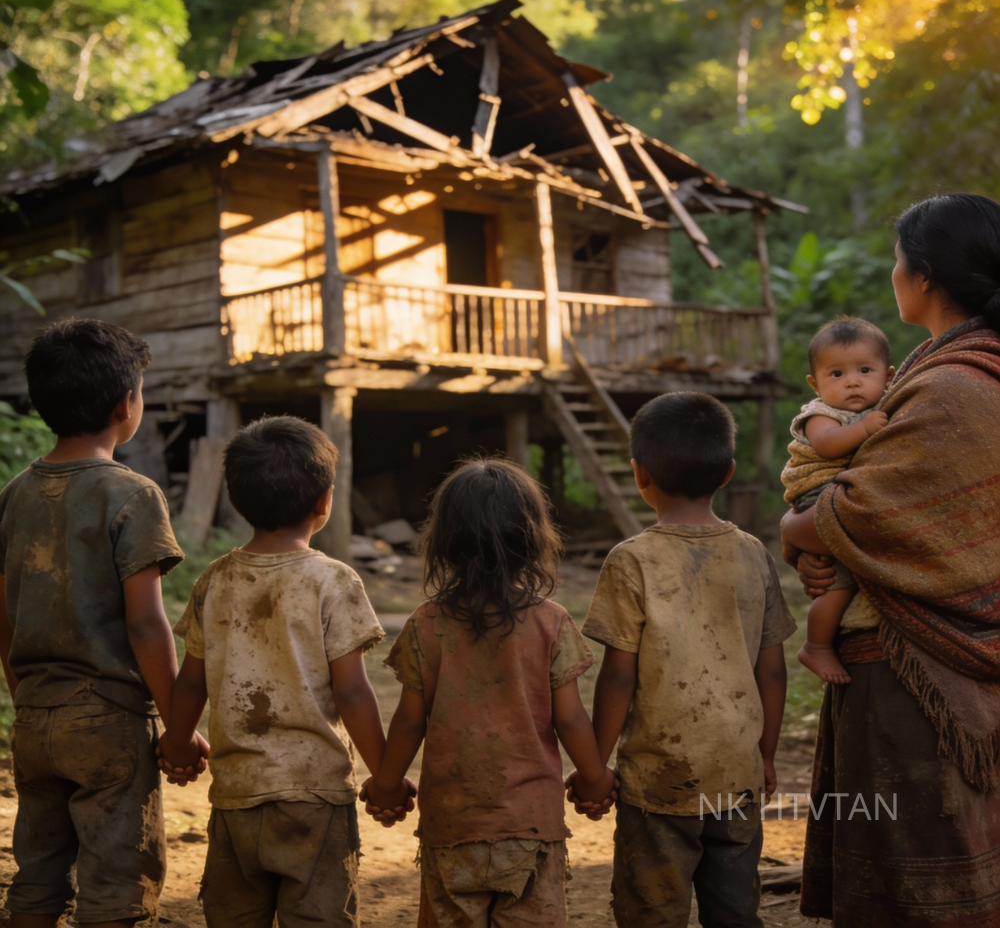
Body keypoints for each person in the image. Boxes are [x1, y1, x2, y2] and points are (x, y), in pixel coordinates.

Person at [782, 193, 1000, 927]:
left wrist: (800, 526)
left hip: (915, 666)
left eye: (898, 260)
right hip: (955, 653)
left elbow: (856, 513)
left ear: (925, 276)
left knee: (915, 879)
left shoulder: (947, 388)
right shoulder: (953, 370)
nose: (894, 272)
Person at [363, 458, 615, 928]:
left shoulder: (427, 622)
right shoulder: (551, 621)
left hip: (452, 827)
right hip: (531, 824)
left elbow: (408, 720)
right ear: (533, 538)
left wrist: (386, 785)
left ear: (444, 542)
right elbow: (571, 720)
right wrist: (596, 778)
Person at [0, 318, 193, 928]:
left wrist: (23, 696)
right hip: (109, 722)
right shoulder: (132, 495)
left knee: (35, 875)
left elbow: (2, 615)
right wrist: (179, 727)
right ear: (124, 405)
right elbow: (146, 625)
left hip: (33, 717)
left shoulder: (14, 494)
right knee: (118, 886)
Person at [578, 392, 796, 928]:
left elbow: (618, 676)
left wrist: (596, 768)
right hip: (736, 774)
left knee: (651, 911)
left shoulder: (632, 560)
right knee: (735, 909)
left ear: (638, 473)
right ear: (727, 473)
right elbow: (772, 668)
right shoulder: (752, 553)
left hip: (656, 781)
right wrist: (764, 756)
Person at [160, 415, 388, 928]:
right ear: (323, 501)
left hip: (236, 793)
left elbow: (191, 680)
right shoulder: (333, 581)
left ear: (237, 501)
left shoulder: (214, 578)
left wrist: (177, 743)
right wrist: (386, 776)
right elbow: (353, 692)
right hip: (316, 796)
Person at [780, 316, 894, 684]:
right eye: (836, 374)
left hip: (842, 488)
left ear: (888, 376)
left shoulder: (887, 404)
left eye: (864, 370)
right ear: (815, 384)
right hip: (817, 488)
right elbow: (828, 445)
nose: (852, 382)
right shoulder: (820, 414)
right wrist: (863, 428)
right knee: (839, 582)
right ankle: (816, 645)